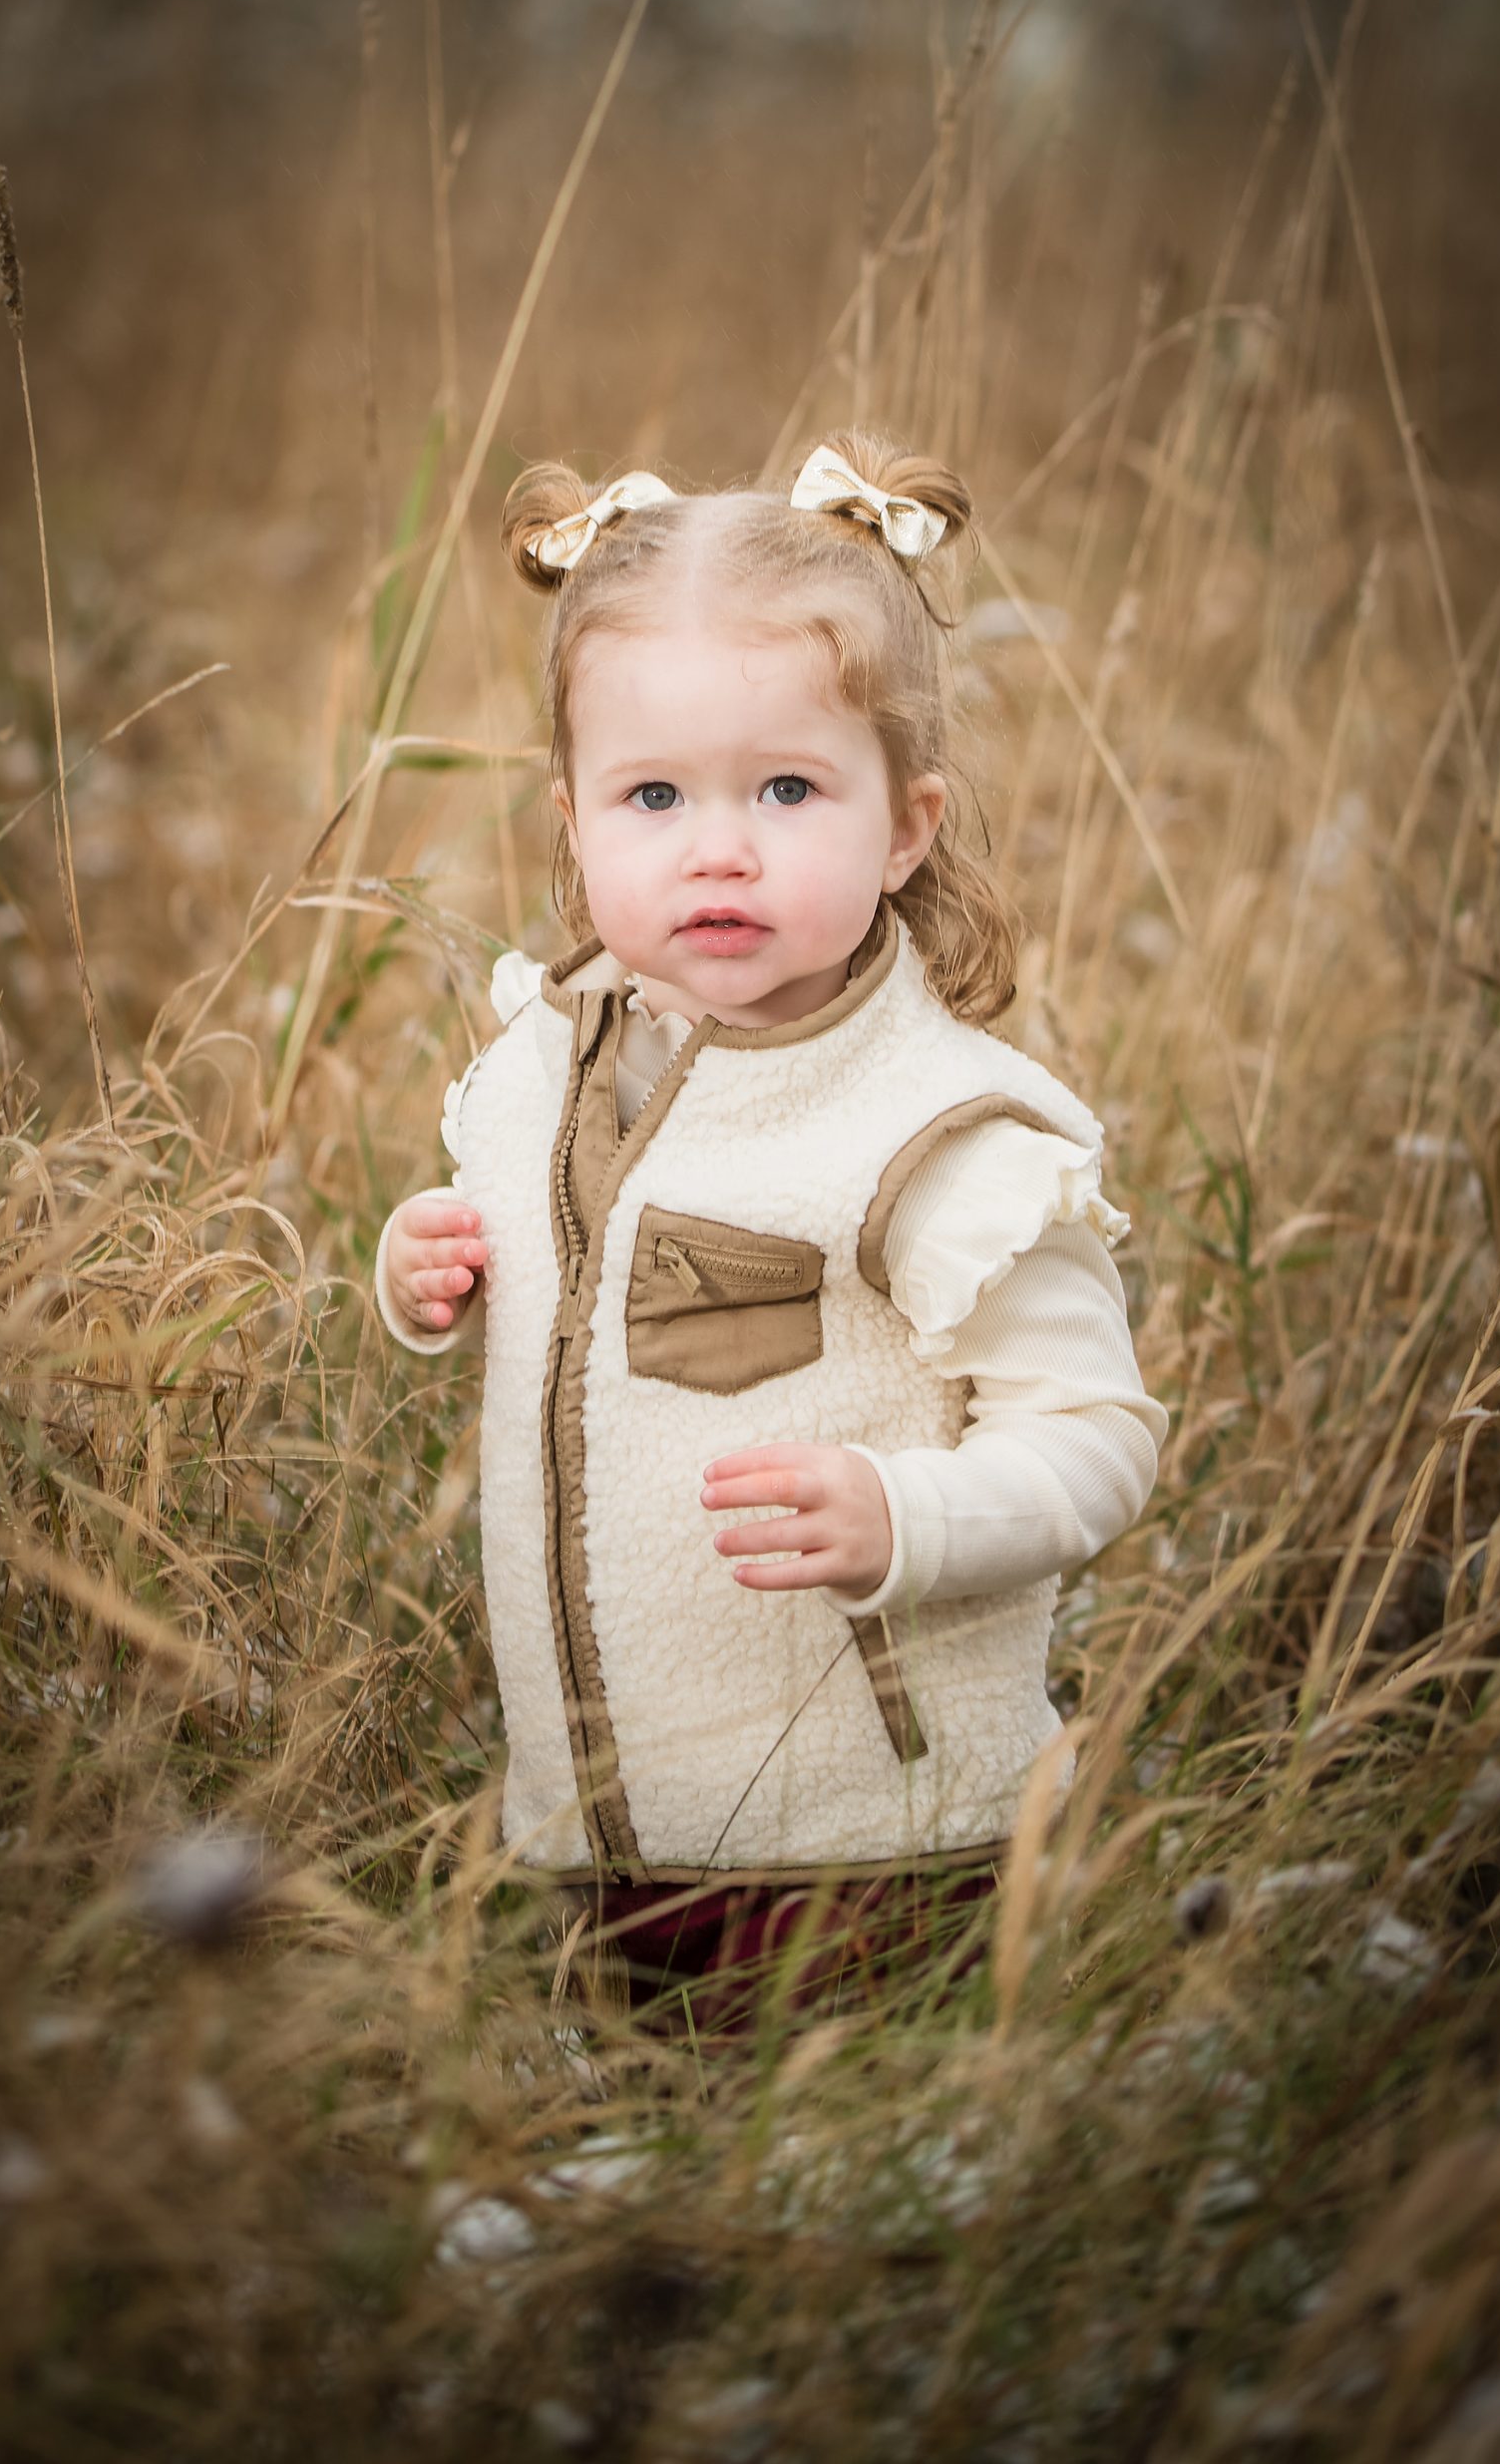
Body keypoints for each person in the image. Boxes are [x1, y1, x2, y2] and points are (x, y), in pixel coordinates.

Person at [375, 431, 1167, 2030]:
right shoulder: (551, 1056)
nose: (716, 844)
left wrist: (909, 1517)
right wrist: (424, 1270)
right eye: (652, 794)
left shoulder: (936, 1138)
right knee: (650, 2155)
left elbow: (1099, 1439)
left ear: (904, 827)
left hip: (864, 1839)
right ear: (575, 824)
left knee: (835, 2160)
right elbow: (547, 1262)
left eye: (788, 790)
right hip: (614, 1817)